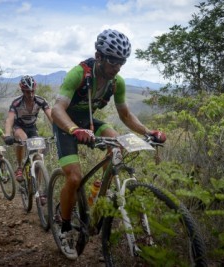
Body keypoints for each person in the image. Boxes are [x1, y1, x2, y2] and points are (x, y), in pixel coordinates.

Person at [51, 29, 166, 260]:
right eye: (113, 60)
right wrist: (73, 129)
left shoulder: (117, 82)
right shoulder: (79, 74)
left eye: (122, 62)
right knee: (73, 178)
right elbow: (56, 110)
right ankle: (64, 226)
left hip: (91, 123)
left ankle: (97, 196)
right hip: (67, 125)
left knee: (117, 144)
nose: (117, 67)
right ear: (99, 56)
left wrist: (148, 131)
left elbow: (125, 115)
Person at [4, 75, 52, 182]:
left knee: (38, 158)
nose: (30, 94)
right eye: (27, 92)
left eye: (32, 91)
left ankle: (38, 191)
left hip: (32, 127)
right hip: (19, 127)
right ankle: (20, 167)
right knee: (23, 138)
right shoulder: (16, 103)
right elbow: (9, 119)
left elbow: (51, 116)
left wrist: (59, 130)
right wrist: (7, 134)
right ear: (22, 90)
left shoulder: (40, 101)